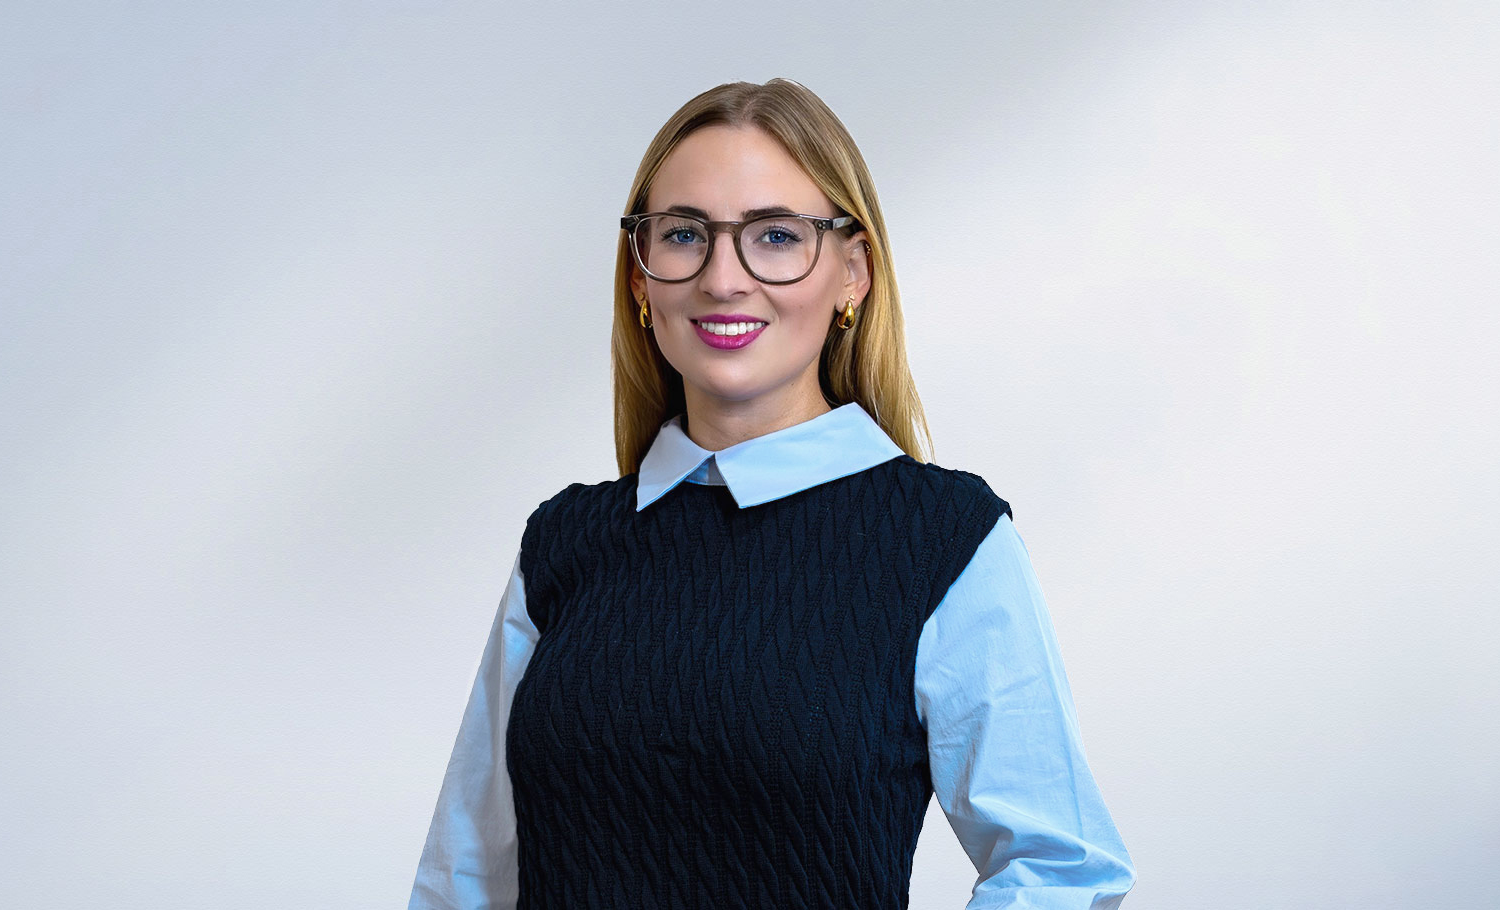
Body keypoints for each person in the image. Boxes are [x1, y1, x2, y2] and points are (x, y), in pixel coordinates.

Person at [408, 78, 1134, 910]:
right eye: (685, 234)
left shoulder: (943, 542)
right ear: (641, 279)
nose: (724, 279)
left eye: (777, 236)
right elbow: (464, 878)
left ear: (853, 272)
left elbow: (1061, 868)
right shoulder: (565, 545)